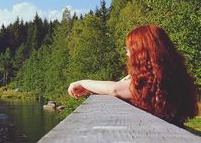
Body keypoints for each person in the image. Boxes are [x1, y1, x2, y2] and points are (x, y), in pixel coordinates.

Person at [68, 24, 198, 125]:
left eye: (129, 49)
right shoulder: (171, 77)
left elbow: (115, 89)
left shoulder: (152, 82)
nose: (127, 54)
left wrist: (82, 82)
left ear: (142, 52)